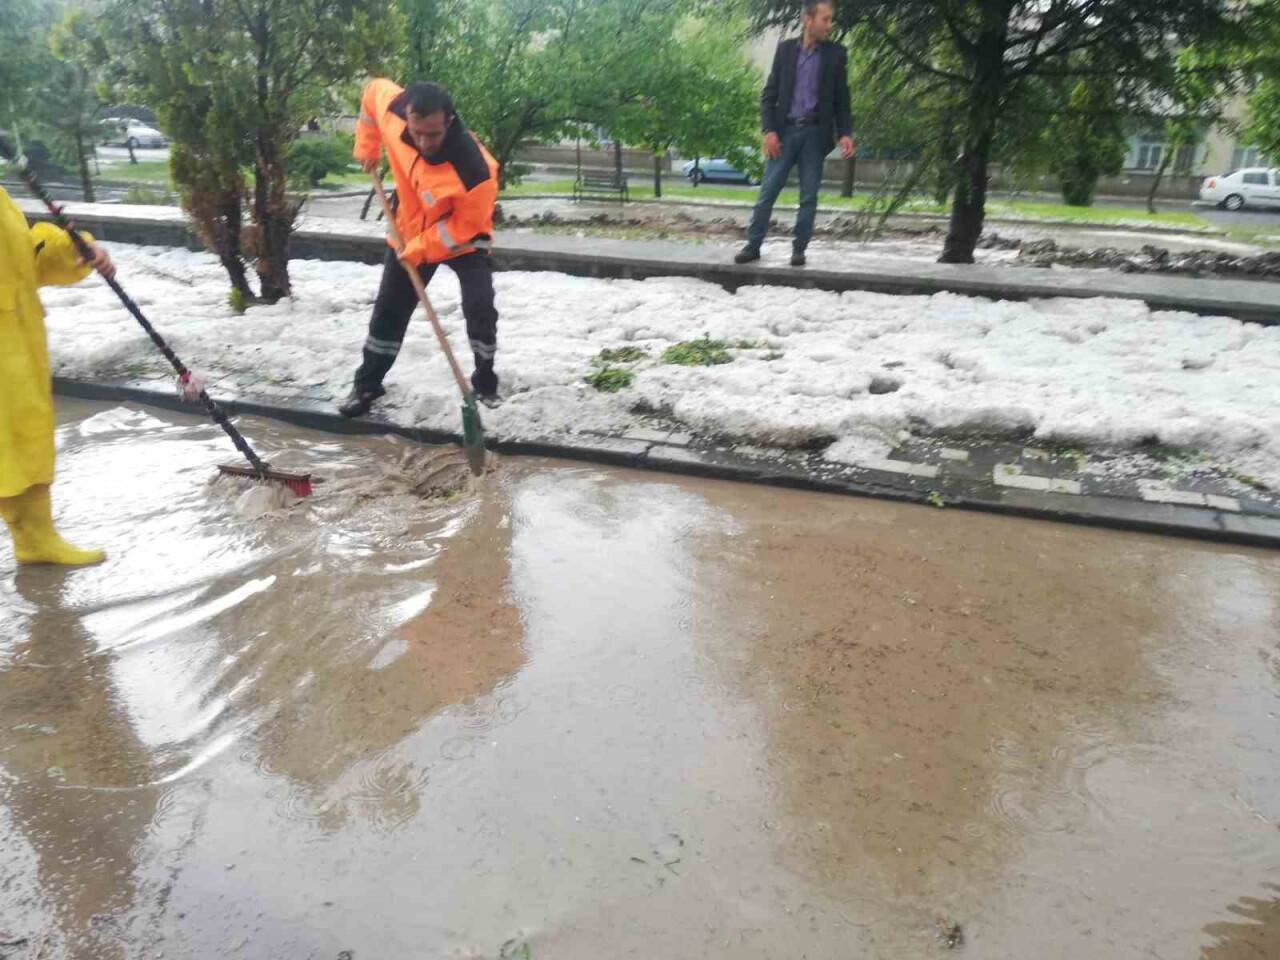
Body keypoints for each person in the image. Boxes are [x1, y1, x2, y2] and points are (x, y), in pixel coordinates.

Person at [339, 79, 501, 418]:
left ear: (450, 122)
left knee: (480, 307)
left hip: (464, 240)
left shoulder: (475, 171)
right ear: (407, 117)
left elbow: (464, 227)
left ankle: (485, 382)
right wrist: (368, 148)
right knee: (389, 310)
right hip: (409, 229)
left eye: (433, 135)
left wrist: (420, 249)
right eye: (417, 134)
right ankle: (367, 383)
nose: (424, 142)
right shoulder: (394, 111)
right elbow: (371, 94)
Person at [0, 185, 114, 566]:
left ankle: (35, 537)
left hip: (15, 340)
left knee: (22, 433)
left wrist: (74, 250)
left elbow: (21, 259)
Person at [735, 0, 855, 268]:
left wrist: (845, 133)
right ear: (807, 19)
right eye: (825, 19)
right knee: (767, 192)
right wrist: (769, 131)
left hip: (815, 135)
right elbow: (769, 96)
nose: (829, 25)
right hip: (784, 133)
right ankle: (753, 246)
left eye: (830, 19)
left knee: (808, 196)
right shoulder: (785, 51)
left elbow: (841, 100)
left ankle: (799, 250)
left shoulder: (836, 55)